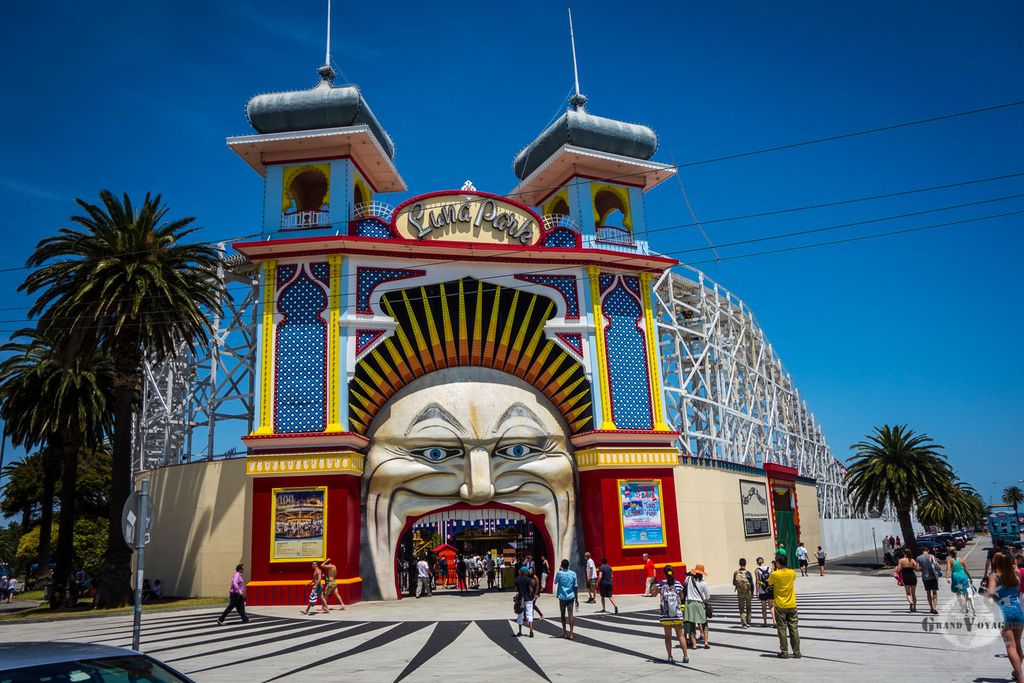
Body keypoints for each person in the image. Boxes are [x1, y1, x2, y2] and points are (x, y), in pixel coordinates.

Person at [986, 552, 1023, 683]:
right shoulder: (1015, 575)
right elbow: (1018, 591)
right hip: (1018, 611)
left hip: (1004, 613)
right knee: (1018, 644)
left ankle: (1020, 677)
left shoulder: (994, 575)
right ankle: (1017, 672)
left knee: (1010, 646)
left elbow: (990, 594)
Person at [768, 555, 800, 658]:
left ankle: (784, 652)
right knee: (794, 628)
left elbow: (769, 583)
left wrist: (773, 570)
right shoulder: (792, 573)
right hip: (792, 604)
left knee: (782, 629)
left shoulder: (775, 574)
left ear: (778, 563)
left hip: (780, 605)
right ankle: (797, 652)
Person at [657, 565, 689, 664]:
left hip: (665, 615)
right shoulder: (678, 583)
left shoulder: (661, 584)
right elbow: (682, 596)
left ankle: (670, 657)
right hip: (676, 614)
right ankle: (685, 656)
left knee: (667, 637)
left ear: (664, 573)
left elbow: (654, 594)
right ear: (672, 572)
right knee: (680, 635)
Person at [683, 564, 710, 649]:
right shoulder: (704, 583)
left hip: (689, 603)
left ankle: (694, 645)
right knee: (704, 623)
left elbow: (685, 586)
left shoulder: (688, 579)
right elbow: (707, 596)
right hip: (699, 604)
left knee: (691, 625)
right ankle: (706, 642)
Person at [554, 559, 579, 639]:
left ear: (562, 565)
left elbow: (555, 582)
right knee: (570, 615)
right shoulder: (573, 573)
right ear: (568, 565)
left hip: (562, 597)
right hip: (571, 596)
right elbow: (575, 587)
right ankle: (571, 634)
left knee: (562, 615)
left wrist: (559, 571)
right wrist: (577, 599)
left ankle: (564, 632)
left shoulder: (559, 573)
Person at [946, 547, 974, 614]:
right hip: (963, 576)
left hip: (956, 577)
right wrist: (970, 578)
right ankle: (967, 605)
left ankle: (963, 607)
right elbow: (966, 570)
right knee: (965, 591)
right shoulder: (961, 559)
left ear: (949, 553)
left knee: (958, 593)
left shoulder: (950, 561)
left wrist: (947, 577)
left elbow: (948, 569)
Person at [916, 546, 941, 615]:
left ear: (922, 551)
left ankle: (931, 608)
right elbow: (938, 566)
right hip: (933, 576)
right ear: (928, 550)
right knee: (934, 592)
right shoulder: (932, 556)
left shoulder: (918, 558)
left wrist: (923, 568)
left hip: (925, 577)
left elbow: (917, 569)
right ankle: (935, 607)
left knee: (928, 593)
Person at [515, 567, 537, 638]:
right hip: (528, 599)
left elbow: (516, 589)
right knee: (529, 614)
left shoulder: (517, 579)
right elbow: (531, 590)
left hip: (520, 599)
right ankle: (531, 630)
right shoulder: (529, 580)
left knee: (520, 615)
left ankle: (520, 631)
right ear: (525, 572)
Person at [896, 548, 920, 612]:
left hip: (906, 577)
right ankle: (914, 608)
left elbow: (898, 570)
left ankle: (911, 602)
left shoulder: (901, 560)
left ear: (904, 553)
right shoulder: (912, 560)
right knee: (913, 594)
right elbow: (917, 568)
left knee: (908, 593)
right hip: (913, 576)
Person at [733, 558, 754, 628]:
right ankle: (748, 621)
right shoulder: (748, 573)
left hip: (740, 593)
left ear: (739, 564)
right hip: (748, 592)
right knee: (749, 607)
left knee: (741, 608)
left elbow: (734, 583)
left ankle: (744, 623)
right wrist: (752, 593)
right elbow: (752, 584)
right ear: (745, 564)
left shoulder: (736, 572)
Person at [755, 557, 774, 627]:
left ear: (757, 562)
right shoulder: (769, 568)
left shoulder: (757, 570)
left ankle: (765, 622)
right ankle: (774, 621)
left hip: (762, 590)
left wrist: (757, 592)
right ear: (763, 561)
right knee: (771, 606)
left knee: (764, 607)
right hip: (769, 589)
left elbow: (757, 581)